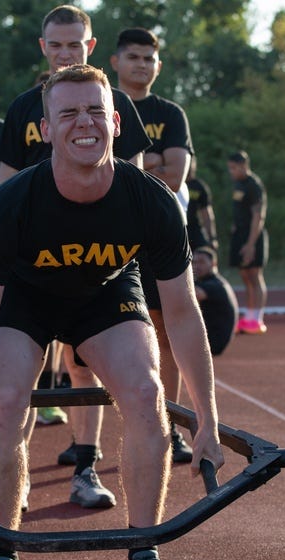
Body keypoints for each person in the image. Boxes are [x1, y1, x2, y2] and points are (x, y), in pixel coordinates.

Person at [0, 65, 223, 560]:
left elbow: (183, 316)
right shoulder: (10, 206)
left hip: (105, 293)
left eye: (94, 111)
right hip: (26, 296)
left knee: (145, 392)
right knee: (6, 400)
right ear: (45, 129)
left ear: (115, 122)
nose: (83, 123)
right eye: (68, 113)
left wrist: (208, 419)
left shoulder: (152, 202)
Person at [0, 5, 152, 504]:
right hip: (33, 269)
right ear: (44, 48)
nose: (66, 54)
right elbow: (2, 191)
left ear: (90, 45)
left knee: (86, 369)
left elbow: (135, 187)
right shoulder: (24, 108)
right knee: (19, 371)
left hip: (97, 268)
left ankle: (85, 470)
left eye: (75, 45)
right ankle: (13, 477)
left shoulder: (115, 103)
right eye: (57, 45)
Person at [110, 27, 195, 464]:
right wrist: (152, 162)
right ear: (116, 62)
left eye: (149, 58)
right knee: (96, 340)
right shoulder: (101, 103)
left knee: (166, 335)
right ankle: (90, 442)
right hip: (112, 239)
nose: (142, 64)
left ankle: (173, 425)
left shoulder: (170, 113)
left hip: (160, 236)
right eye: (134, 57)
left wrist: (135, 168)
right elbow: (99, 174)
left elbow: (176, 177)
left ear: (157, 66)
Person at [227, 150, 268, 334]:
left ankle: (257, 319)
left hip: (253, 236)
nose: (232, 171)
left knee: (254, 275)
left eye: (234, 168)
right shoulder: (238, 184)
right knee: (244, 275)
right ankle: (249, 316)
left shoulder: (254, 185)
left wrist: (251, 244)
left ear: (244, 166)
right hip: (240, 235)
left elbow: (258, 216)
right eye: (230, 168)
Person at [192, 246, 238, 356]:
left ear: (213, 263)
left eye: (202, 262)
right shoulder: (209, 281)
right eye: (194, 262)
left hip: (214, 342)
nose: (197, 266)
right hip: (211, 339)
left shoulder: (215, 285)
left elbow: (194, 294)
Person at [185, 156, 217, 250]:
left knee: (204, 253)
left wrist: (212, 238)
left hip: (194, 230)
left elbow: (207, 214)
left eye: (192, 163)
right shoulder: (173, 183)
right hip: (176, 229)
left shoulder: (199, 187)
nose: (190, 167)